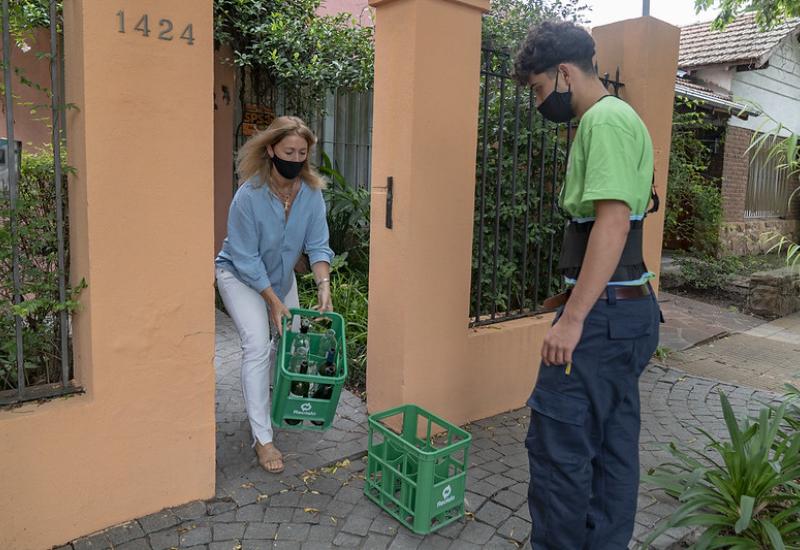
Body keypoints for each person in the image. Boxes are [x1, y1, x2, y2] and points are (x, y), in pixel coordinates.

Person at [513, 21, 662, 549]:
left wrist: (572, 319)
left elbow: (614, 222)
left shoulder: (606, 120)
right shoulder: (615, 120)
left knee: (559, 450)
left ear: (563, 72)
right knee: (612, 449)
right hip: (622, 313)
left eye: (537, 88)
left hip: (600, 318)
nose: (537, 102)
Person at [215, 116, 334, 474]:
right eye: (288, 151)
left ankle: (278, 401)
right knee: (256, 343)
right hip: (239, 276)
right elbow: (247, 259)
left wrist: (323, 287)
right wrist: (273, 303)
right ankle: (262, 438)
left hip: (280, 279)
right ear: (271, 150)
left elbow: (318, 245)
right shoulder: (248, 196)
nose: (295, 159)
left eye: (302, 153)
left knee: (292, 341)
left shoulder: (311, 194)